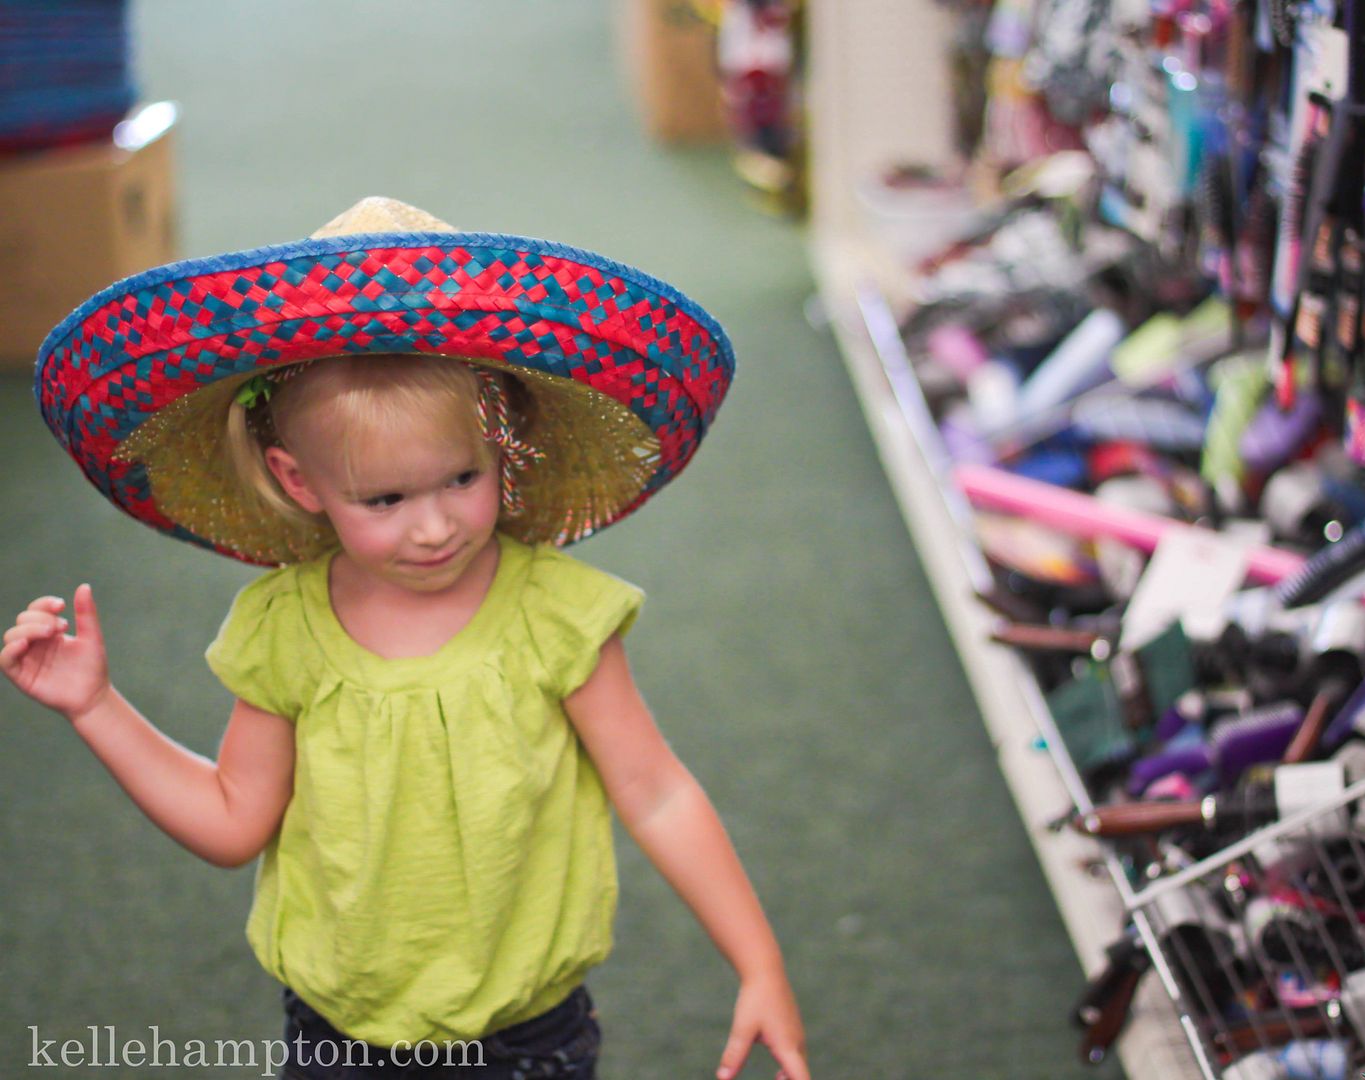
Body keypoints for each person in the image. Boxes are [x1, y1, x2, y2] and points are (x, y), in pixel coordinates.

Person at [4, 197, 809, 1080]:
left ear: (505, 442)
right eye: (383, 500)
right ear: (296, 479)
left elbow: (654, 792)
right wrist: (96, 707)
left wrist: (758, 961)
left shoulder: (555, 615)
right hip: (336, 1035)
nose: (433, 529)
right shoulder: (288, 630)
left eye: (461, 479)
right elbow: (234, 821)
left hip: (528, 1037)